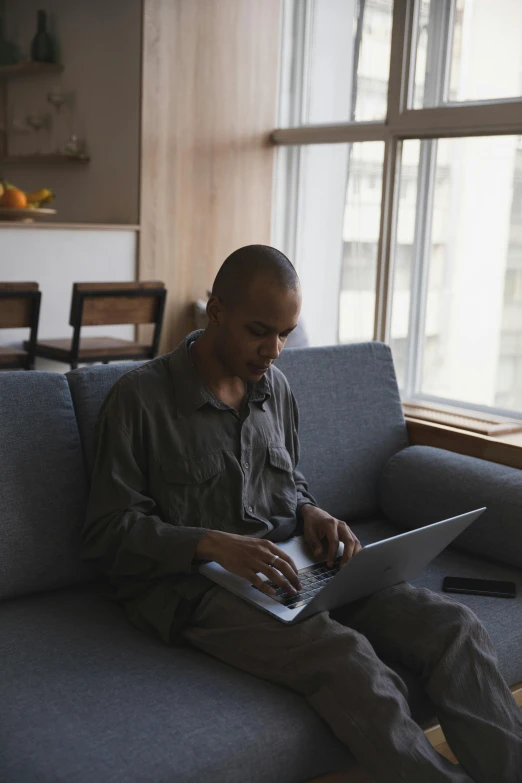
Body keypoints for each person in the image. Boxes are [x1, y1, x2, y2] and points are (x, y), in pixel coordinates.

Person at [82, 245, 522, 783]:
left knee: (453, 626)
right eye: (259, 330)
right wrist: (213, 544)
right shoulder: (140, 400)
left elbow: (290, 483)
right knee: (347, 659)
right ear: (216, 312)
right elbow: (107, 531)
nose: (274, 349)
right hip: (195, 588)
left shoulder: (277, 389)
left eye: (286, 333)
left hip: (294, 567)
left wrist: (312, 512)